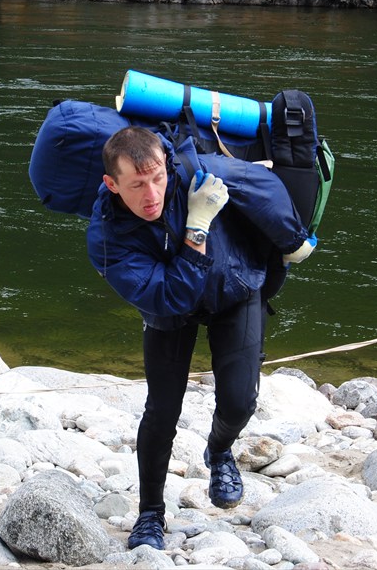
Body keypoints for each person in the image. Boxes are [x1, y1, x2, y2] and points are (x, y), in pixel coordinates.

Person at [86, 126, 314, 550]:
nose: (152, 194)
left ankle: (219, 450)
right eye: (136, 185)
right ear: (112, 184)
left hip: (234, 287)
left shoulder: (196, 172)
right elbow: (171, 295)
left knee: (240, 401)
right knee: (162, 412)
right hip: (170, 308)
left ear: (166, 166)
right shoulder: (106, 238)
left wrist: (293, 241)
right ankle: (150, 514)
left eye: (157, 178)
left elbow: (262, 185)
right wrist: (198, 224)